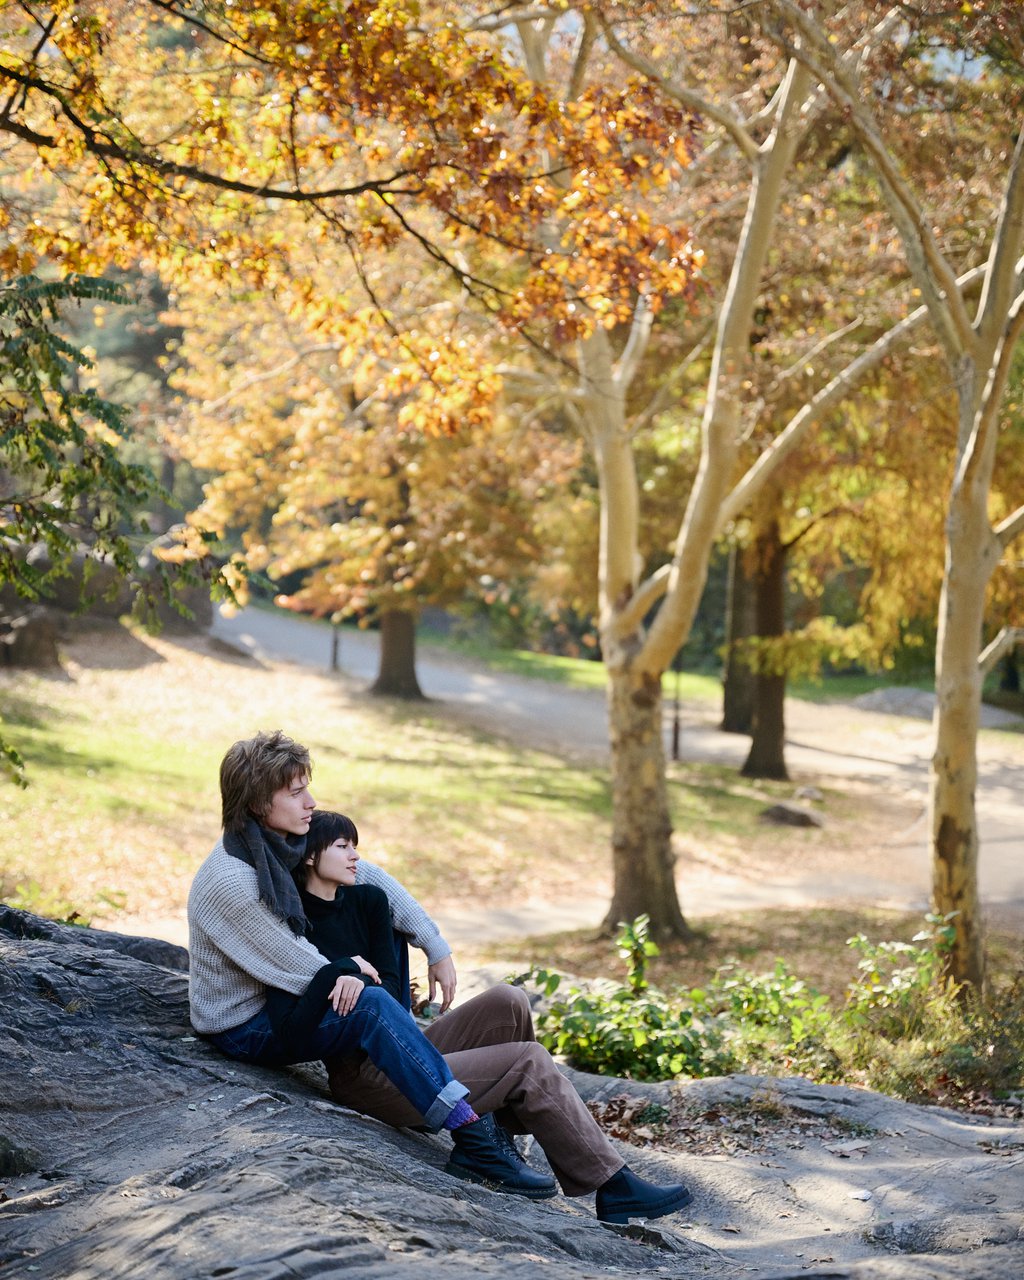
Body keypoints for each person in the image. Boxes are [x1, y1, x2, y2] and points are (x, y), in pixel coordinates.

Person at [187, 729, 693, 1223]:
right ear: (258, 804)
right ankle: (531, 1157)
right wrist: (344, 969)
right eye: (297, 792)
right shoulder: (236, 880)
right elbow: (292, 961)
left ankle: (502, 1136)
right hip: (251, 1026)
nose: (311, 801)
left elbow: (373, 878)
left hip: (311, 1009)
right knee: (496, 1049)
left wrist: (435, 946)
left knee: (507, 1002)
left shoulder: (282, 847)